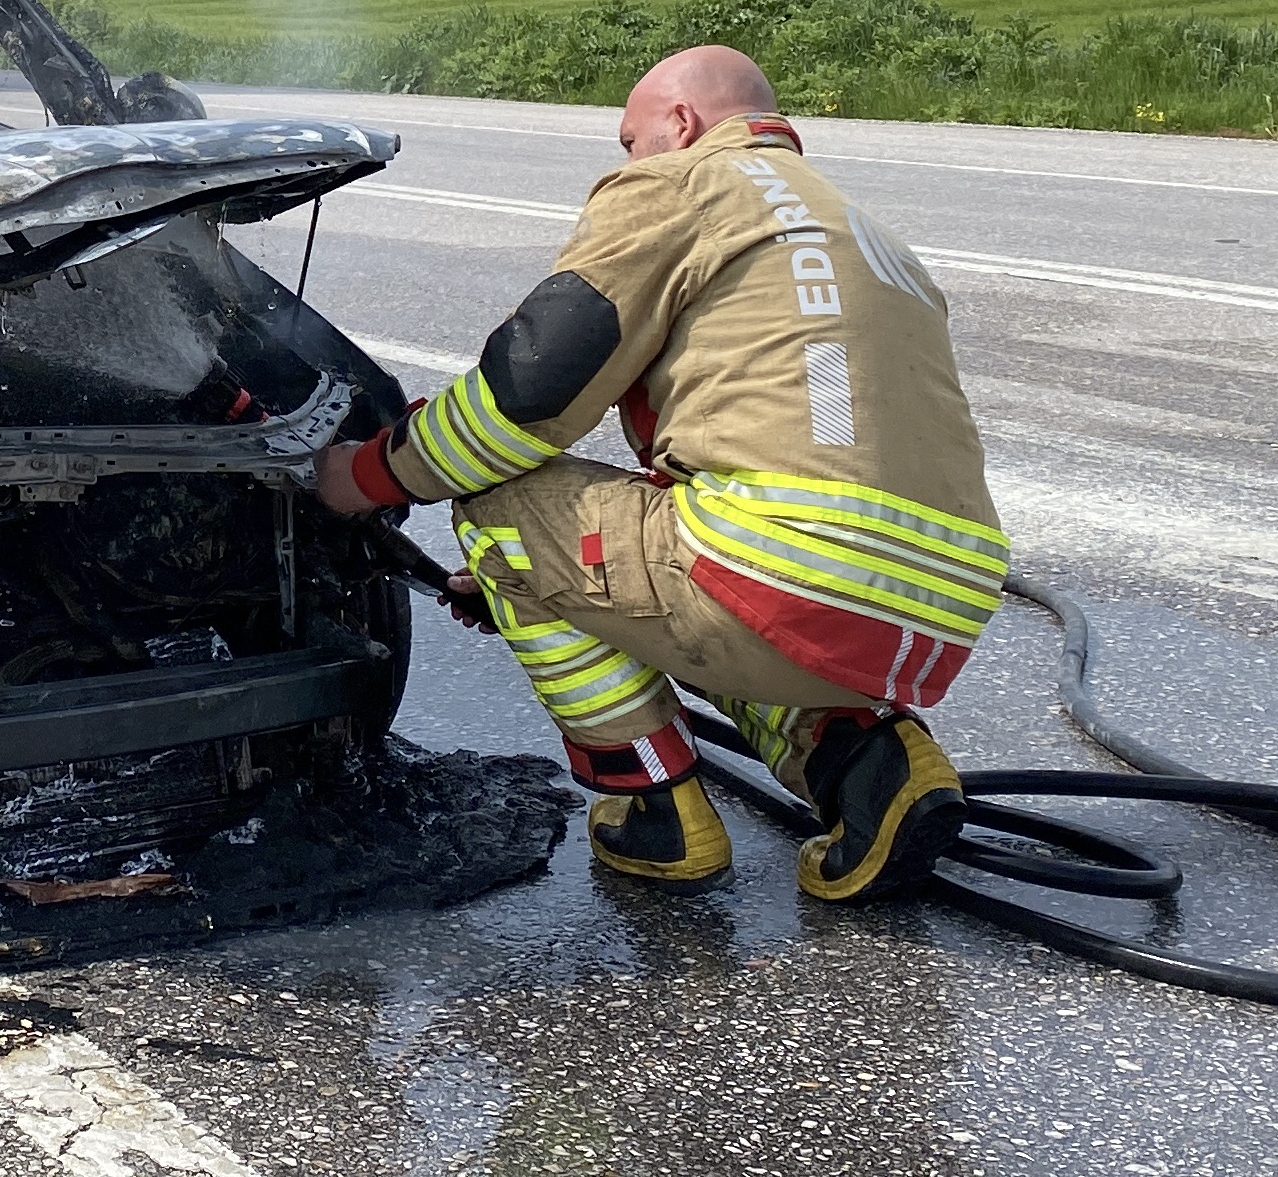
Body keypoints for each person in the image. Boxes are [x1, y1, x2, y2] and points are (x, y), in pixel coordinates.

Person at [314, 45, 1005, 902]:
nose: (627, 161)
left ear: (681, 124)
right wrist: (543, 582)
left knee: (501, 502)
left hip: (779, 572)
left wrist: (366, 476)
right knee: (661, 560)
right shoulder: (856, 226)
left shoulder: (678, 187)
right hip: (935, 604)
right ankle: (867, 760)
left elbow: (526, 399)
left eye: (630, 139)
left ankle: (655, 813)